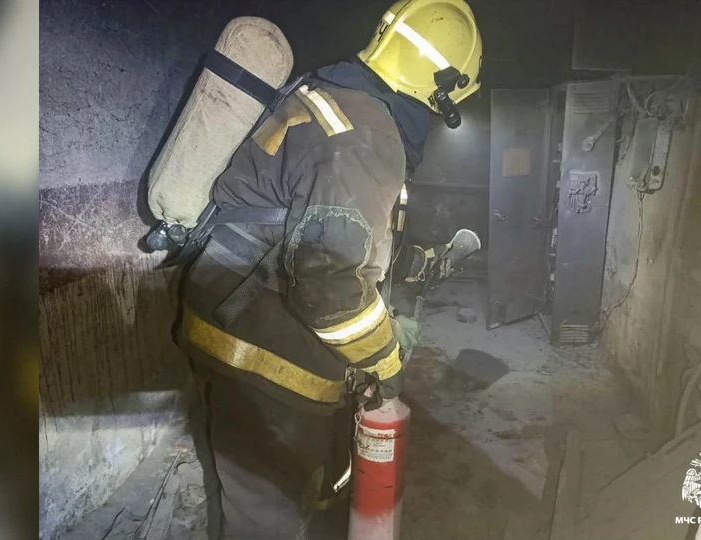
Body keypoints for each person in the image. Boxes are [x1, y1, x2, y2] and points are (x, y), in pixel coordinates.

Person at [176, 0, 482, 537]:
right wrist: (384, 359)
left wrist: (410, 265)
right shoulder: (367, 136)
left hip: (231, 311)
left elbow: (339, 231)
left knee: (282, 481)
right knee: (264, 511)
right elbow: (328, 284)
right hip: (263, 347)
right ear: (440, 91)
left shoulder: (328, 95)